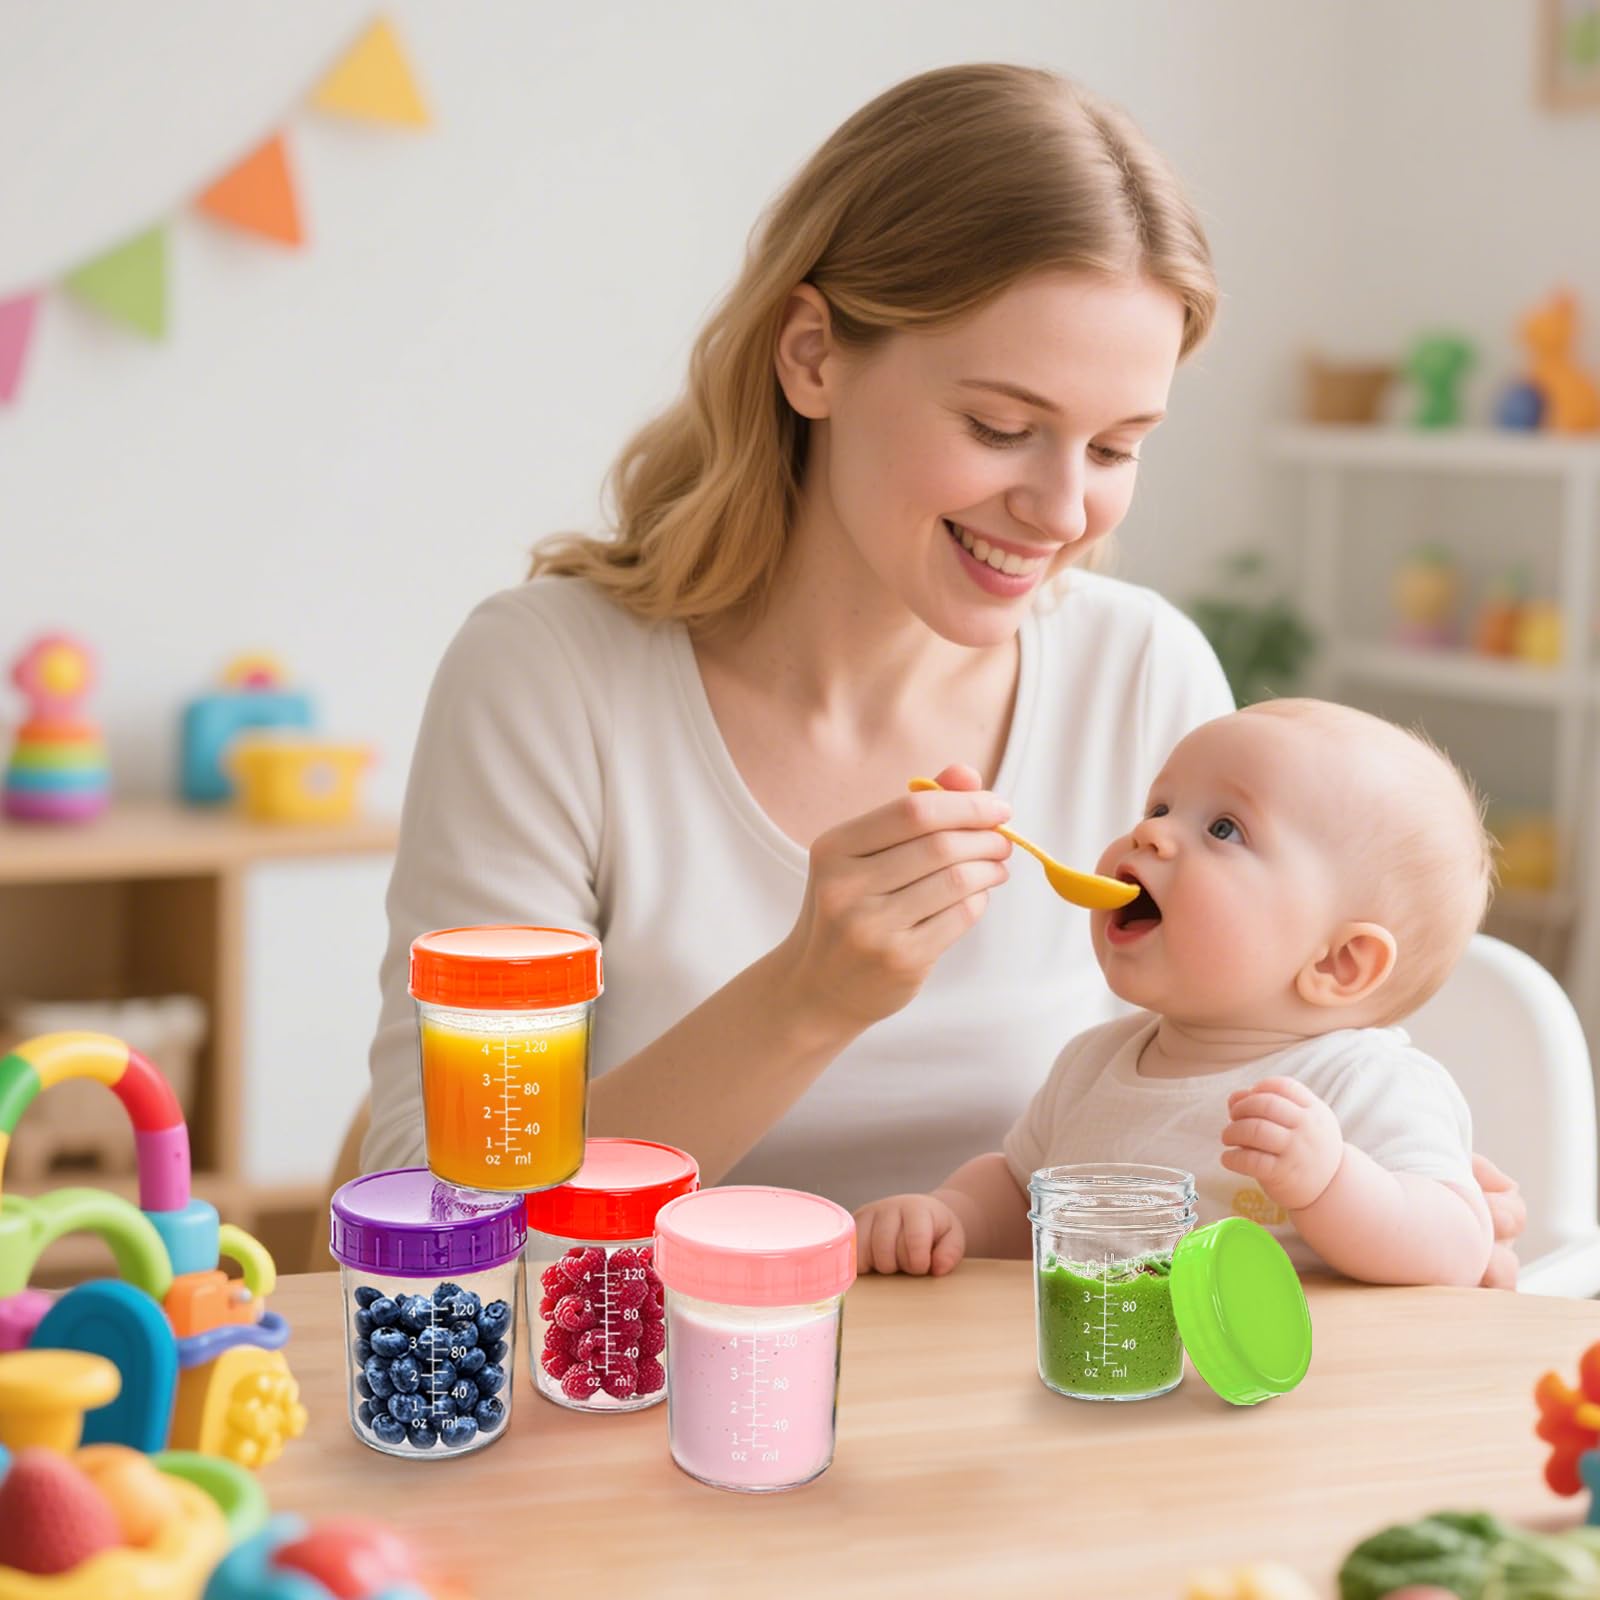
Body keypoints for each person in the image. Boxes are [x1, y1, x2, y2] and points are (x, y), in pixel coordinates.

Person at [361, 64, 1523, 1269]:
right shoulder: (551, 684)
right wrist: (805, 998)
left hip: (1045, 1418)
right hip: (641, 1403)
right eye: (1000, 428)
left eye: (1117, 445)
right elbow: (436, 1218)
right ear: (812, 354)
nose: (1063, 507)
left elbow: (1250, 1084)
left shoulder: (1142, 677)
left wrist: (1380, 1211)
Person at [853, 700, 1523, 1288]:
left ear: (1341, 962)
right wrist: (951, 1217)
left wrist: (1334, 1183)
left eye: (1223, 829)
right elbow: (1020, 1189)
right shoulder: (1092, 1064)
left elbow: (1460, 1246)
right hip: (1106, 1375)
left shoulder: (1362, 1083)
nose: (1150, 832)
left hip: (1283, 1407)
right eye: (1160, 806)